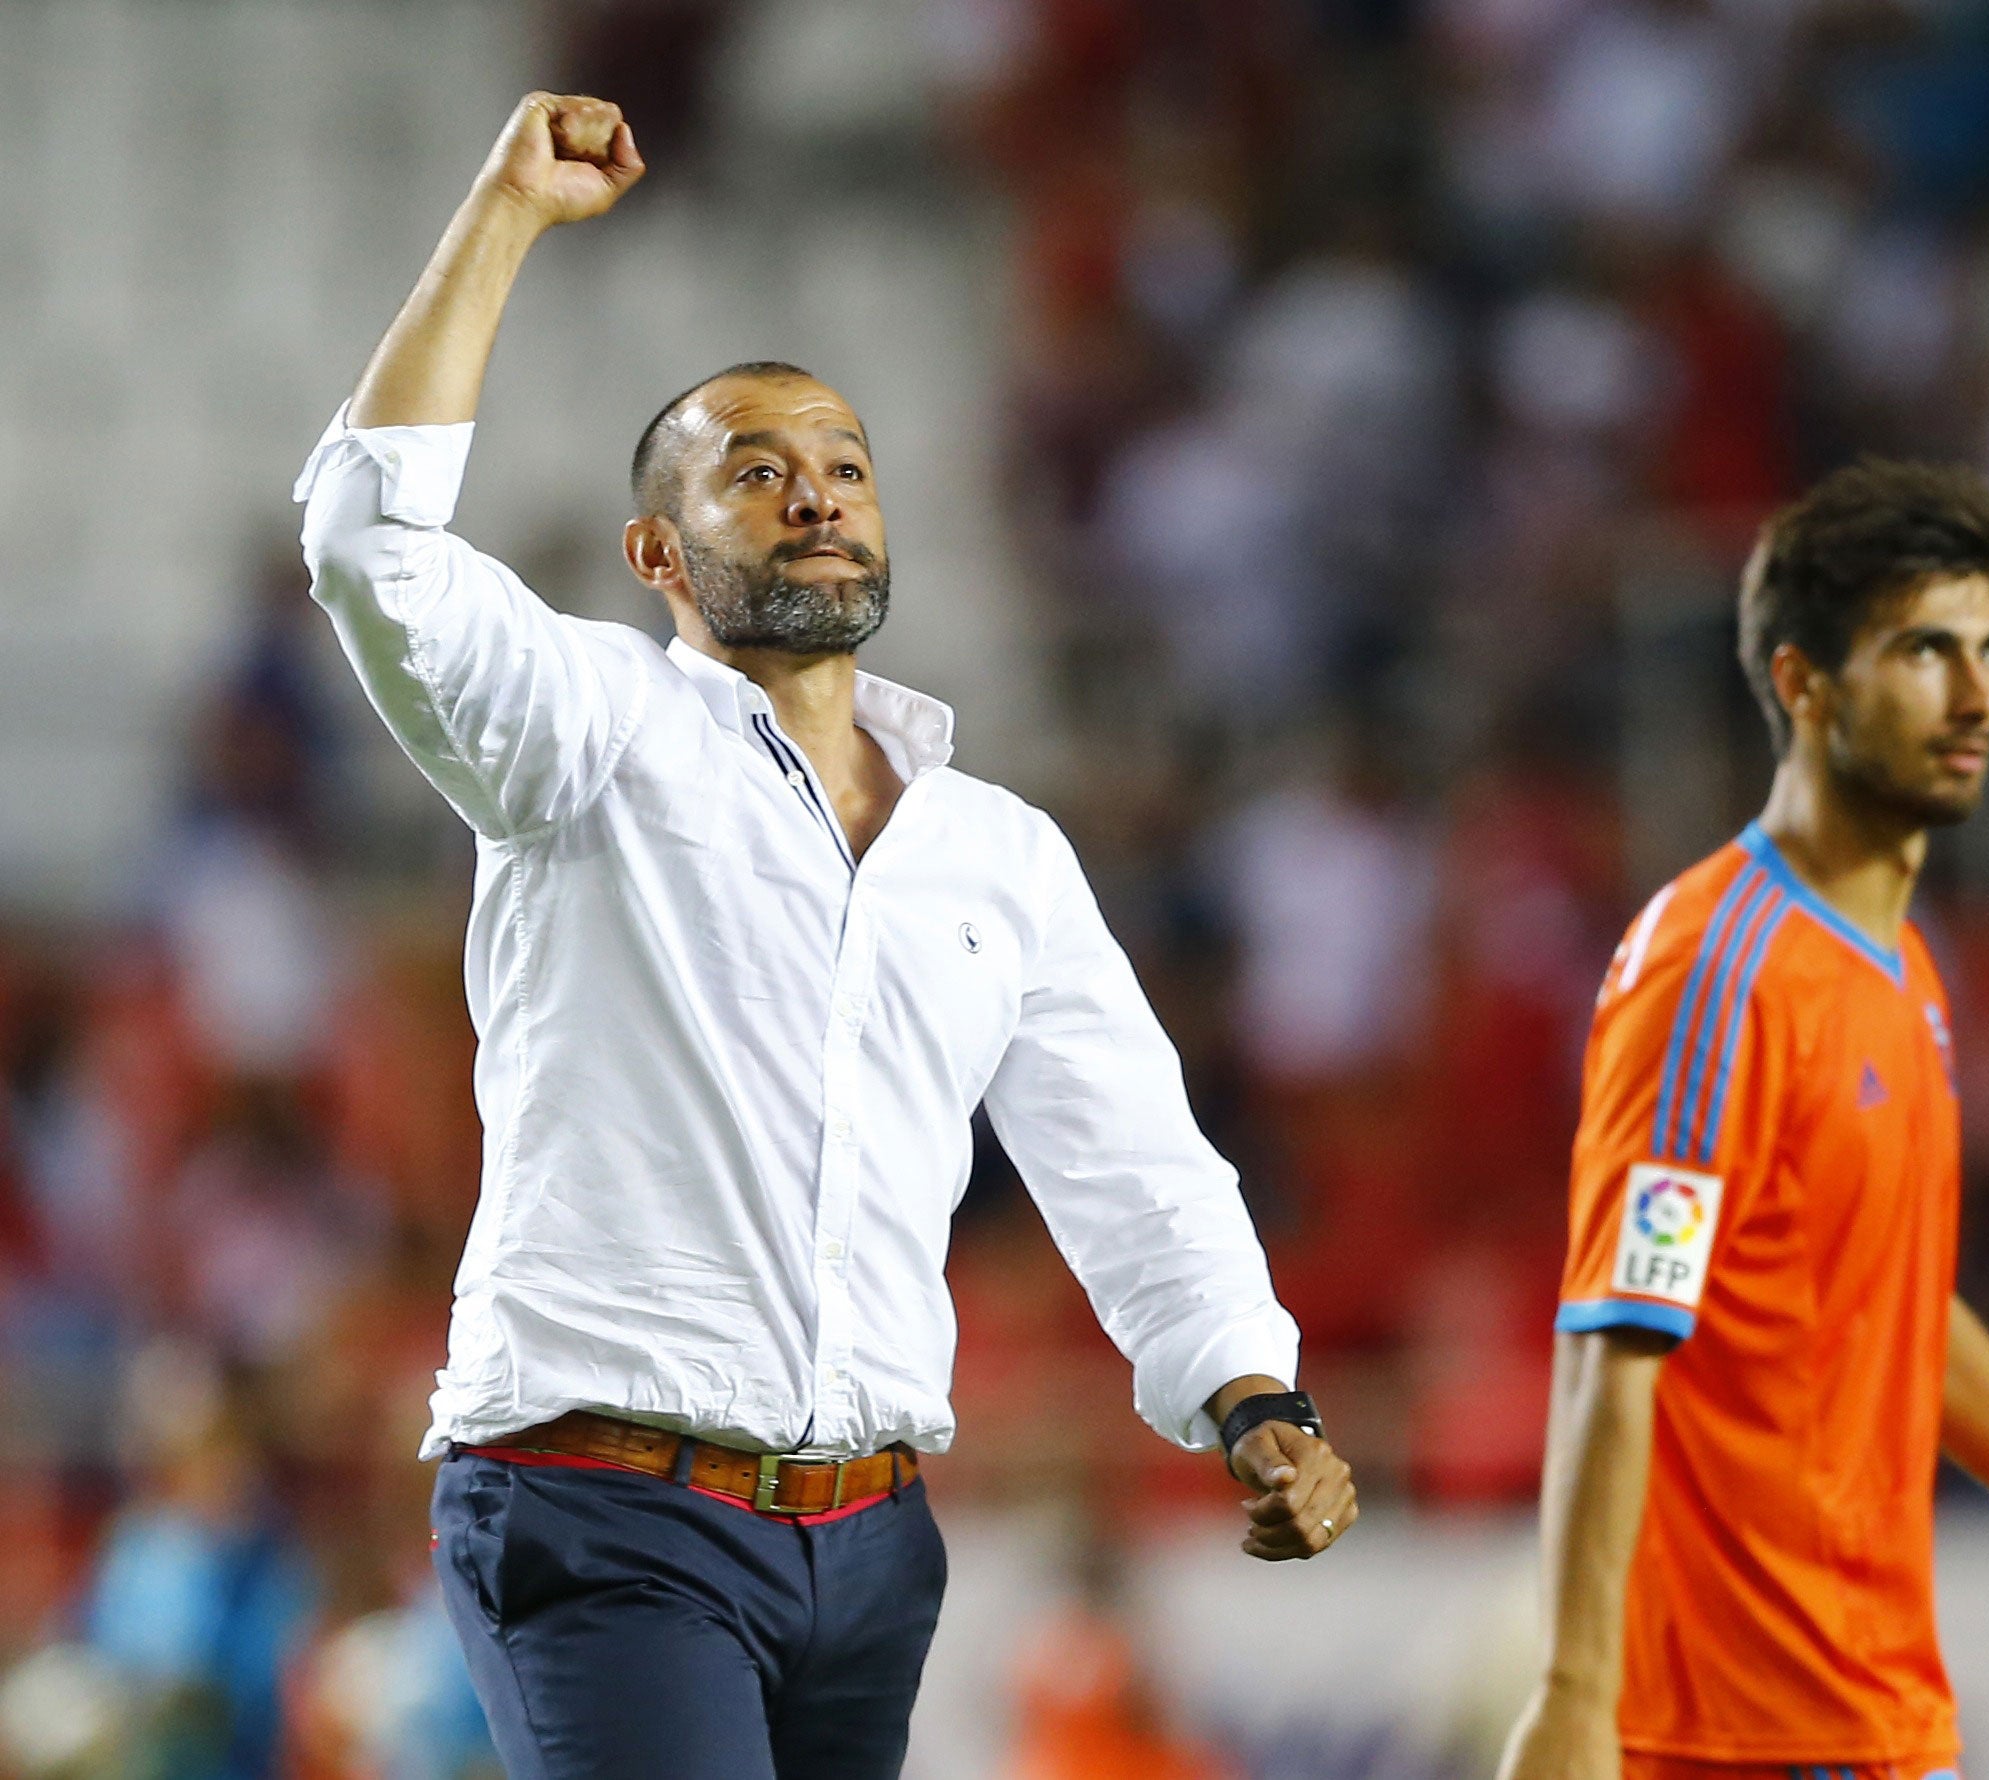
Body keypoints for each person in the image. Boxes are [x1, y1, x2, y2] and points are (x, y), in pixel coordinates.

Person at [293, 94, 1357, 1780]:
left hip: (871, 1542)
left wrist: (1252, 1391)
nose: (816, 498)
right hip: (603, 1512)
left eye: (846, 469)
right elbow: (370, 547)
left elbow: (1133, 1160)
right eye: (757, 472)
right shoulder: (584, 732)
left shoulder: (997, 853)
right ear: (655, 553)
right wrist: (502, 215)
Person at [1496, 462, 1989, 1780]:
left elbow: (1897, 1312)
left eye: (1988, 651)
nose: (1978, 696)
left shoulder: (1900, 971)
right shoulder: (1717, 976)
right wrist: (1575, 1693)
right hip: (1741, 1736)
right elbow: (1612, 1340)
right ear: (1803, 683)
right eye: (1925, 652)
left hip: (1873, 1716)